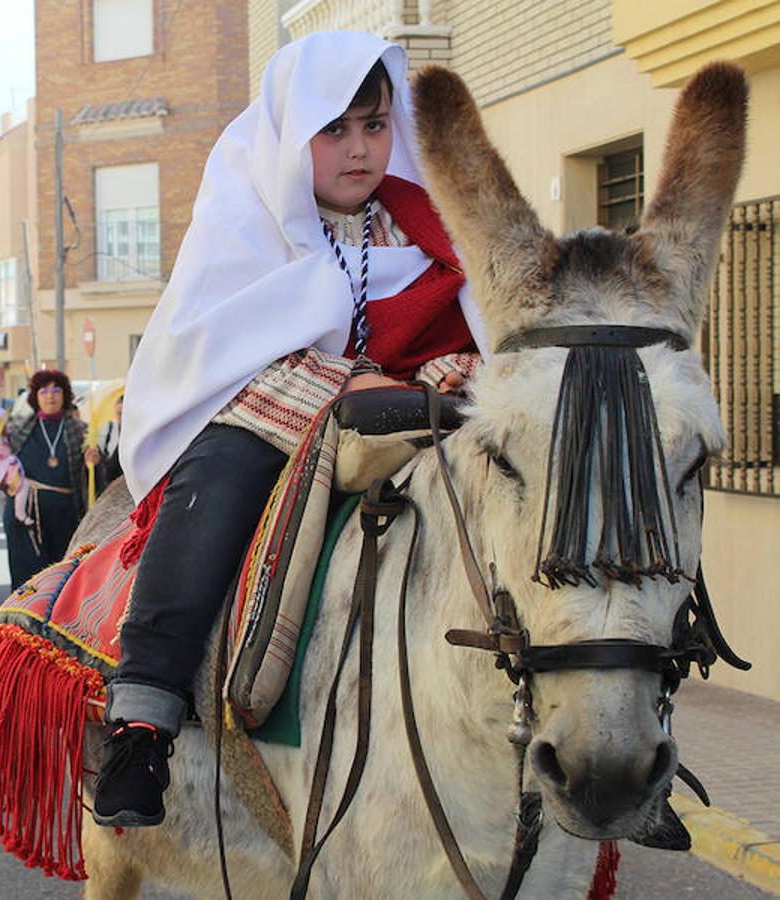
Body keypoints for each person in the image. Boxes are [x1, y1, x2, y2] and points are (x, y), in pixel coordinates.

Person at [93, 33, 483, 827]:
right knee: (224, 472)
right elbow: (217, 356)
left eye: (374, 126)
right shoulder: (241, 216)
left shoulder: (424, 225)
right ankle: (143, 724)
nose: (360, 149)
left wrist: (444, 380)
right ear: (291, 133)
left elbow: (473, 332)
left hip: (412, 414)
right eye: (333, 130)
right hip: (266, 413)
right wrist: (347, 385)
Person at [1, 370, 99, 587]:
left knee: (62, 580)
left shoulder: (81, 431)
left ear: (65, 395)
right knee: (27, 580)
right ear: (35, 396)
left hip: (67, 517)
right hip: (26, 518)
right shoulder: (17, 430)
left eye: (56, 390)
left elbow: (97, 477)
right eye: (44, 391)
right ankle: (23, 621)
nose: (50, 396)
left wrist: (94, 462)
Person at [95, 393, 125, 492]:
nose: (122, 418)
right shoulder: (108, 429)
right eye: (119, 414)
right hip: (109, 484)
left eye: (124, 413)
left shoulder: (138, 433)